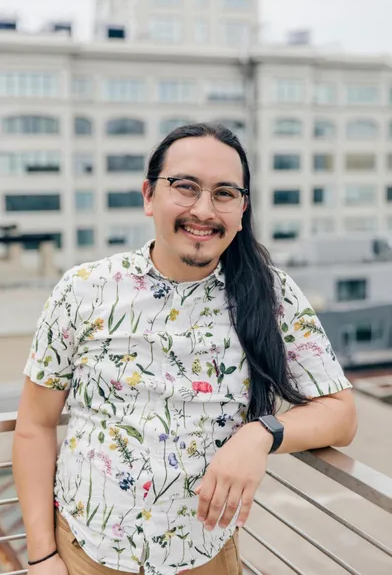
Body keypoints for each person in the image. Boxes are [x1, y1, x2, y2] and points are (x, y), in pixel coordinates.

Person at [13, 123, 357, 575]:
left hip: (205, 559)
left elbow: (341, 414)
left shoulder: (270, 293)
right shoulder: (83, 289)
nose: (203, 210)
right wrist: (41, 555)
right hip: (84, 553)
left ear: (241, 209)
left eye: (224, 194)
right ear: (148, 196)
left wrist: (261, 435)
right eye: (186, 187)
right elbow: (35, 426)